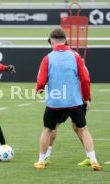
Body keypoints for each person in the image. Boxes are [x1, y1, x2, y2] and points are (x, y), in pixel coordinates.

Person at [34, 28, 101, 171]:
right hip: (74, 102)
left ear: (51, 41)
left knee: (47, 130)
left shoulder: (48, 58)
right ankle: (94, 160)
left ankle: (41, 161)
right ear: (65, 41)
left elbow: (41, 81)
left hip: (55, 103)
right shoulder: (76, 56)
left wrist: (39, 89)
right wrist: (86, 97)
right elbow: (85, 79)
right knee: (83, 129)